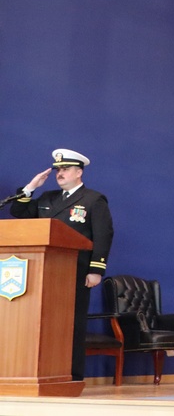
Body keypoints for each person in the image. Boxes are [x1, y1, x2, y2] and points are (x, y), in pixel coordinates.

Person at [9, 149, 114, 383]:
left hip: (74, 271)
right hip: (42, 272)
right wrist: (31, 186)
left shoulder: (93, 200)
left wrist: (96, 270)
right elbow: (18, 212)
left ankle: (72, 375)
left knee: (71, 323)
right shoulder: (47, 198)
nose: (60, 173)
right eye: (58, 169)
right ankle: (43, 372)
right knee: (41, 322)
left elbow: (103, 235)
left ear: (79, 172)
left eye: (65, 169)